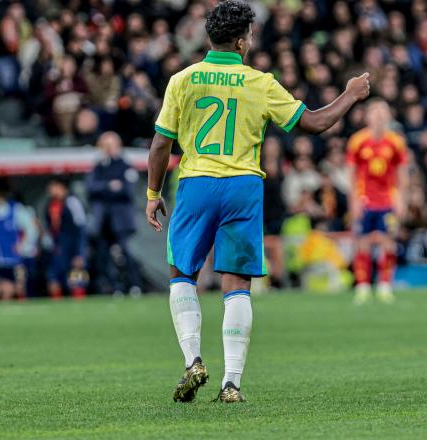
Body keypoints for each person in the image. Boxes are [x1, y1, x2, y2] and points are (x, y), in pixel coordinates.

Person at [146, 0, 370, 403]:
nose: (251, 40)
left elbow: (162, 142)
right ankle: (231, 383)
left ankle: (193, 359)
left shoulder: (183, 79)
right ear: (239, 40)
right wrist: (351, 94)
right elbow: (316, 123)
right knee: (237, 285)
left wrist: (152, 194)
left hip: (196, 183)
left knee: (182, 275)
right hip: (243, 186)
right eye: (249, 34)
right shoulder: (260, 83)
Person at [346, 99, 408, 304]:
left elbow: (402, 174)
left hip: (388, 200)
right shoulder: (357, 141)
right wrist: (353, 201)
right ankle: (363, 286)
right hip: (364, 200)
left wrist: (401, 200)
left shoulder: (396, 142)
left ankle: (384, 285)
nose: (379, 116)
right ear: (367, 116)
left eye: (383, 112)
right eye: (375, 112)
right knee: (362, 242)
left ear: (389, 116)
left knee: (388, 242)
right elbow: (351, 175)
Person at [85, 131, 144, 294]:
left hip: (121, 220)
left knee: (127, 253)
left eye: (110, 145)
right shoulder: (98, 167)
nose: (107, 149)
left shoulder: (125, 165)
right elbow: (90, 189)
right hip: (103, 220)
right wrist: (109, 186)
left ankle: (135, 285)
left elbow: (127, 190)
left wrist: (104, 189)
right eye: (104, 146)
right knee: (105, 256)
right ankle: (114, 286)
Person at [0, 183, 38, 300]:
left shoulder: (16, 210)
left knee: (21, 286)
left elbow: (31, 229)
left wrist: (23, 246)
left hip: (16, 259)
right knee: (1, 289)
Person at [43, 178, 88, 299]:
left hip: (73, 245)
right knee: (52, 276)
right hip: (58, 247)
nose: (50, 190)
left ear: (61, 187)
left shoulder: (72, 202)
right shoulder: (50, 204)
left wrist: (80, 253)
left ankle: (79, 305)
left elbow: (81, 227)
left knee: (76, 276)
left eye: (52, 187)